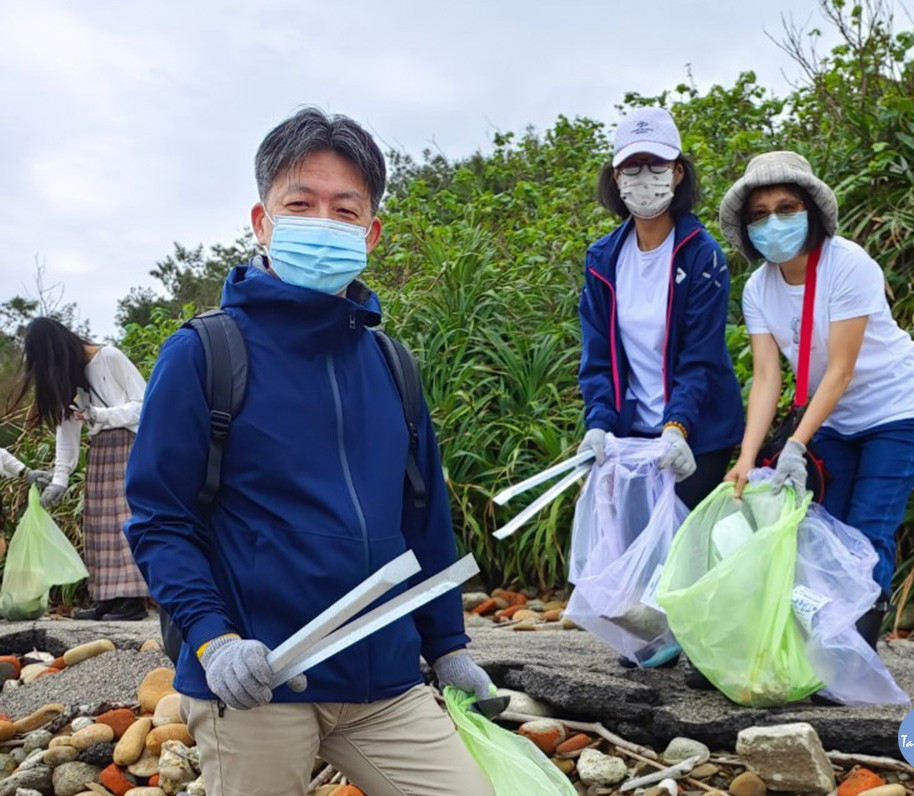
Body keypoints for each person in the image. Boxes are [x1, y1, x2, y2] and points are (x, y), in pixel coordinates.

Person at [124, 108, 493, 796]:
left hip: (383, 681)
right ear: (262, 222)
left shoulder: (393, 366)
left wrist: (448, 647)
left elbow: (425, 519)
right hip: (258, 683)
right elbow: (160, 519)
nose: (323, 221)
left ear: (371, 232)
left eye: (344, 208)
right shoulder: (205, 354)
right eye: (301, 203)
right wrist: (214, 641)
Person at [718, 151, 914, 648]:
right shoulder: (758, 288)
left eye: (786, 207)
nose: (773, 222)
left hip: (896, 412)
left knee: (867, 531)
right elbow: (767, 378)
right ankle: (822, 641)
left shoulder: (848, 264)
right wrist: (748, 459)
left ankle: (854, 651)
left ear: (812, 211)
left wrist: (796, 444)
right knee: (824, 529)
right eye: (759, 214)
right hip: (833, 420)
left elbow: (839, 370)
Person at [578, 107, 744, 511]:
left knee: (680, 556)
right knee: (632, 552)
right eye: (631, 167)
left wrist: (677, 426)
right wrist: (599, 424)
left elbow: (699, 357)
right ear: (616, 178)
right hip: (631, 433)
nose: (643, 177)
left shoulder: (702, 256)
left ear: (677, 172)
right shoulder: (602, 260)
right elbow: (597, 358)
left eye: (656, 164)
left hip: (697, 435)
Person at [10, 318, 149, 621]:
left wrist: (100, 414)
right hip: (101, 451)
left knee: (123, 521)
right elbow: (67, 431)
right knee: (98, 524)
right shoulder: (72, 375)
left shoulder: (108, 356)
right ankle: (107, 597)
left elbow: (146, 404)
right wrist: (59, 480)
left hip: (130, 445)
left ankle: (132, 601)